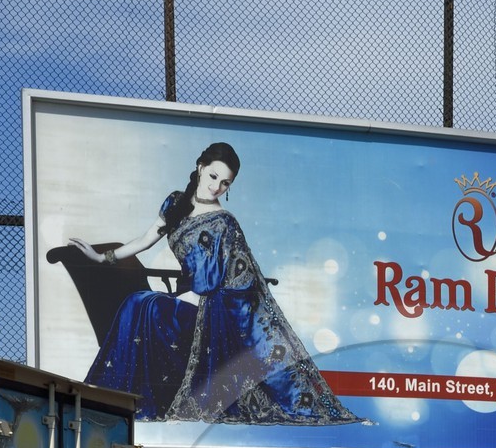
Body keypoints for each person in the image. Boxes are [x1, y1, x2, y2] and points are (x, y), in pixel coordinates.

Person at [69, 142, 359, 427]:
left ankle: (123, 400)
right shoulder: (174, 204)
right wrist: (100, 257)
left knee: (145, 303)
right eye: (213, 176)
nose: (217, 187)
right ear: (200, 167)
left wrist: (202, 297)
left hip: (209, 312)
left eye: (225, 183)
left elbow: (239, 283)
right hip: (182, 302)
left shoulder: (224, 223)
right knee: (140, 303)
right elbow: (144, 241)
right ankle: (109, 399)